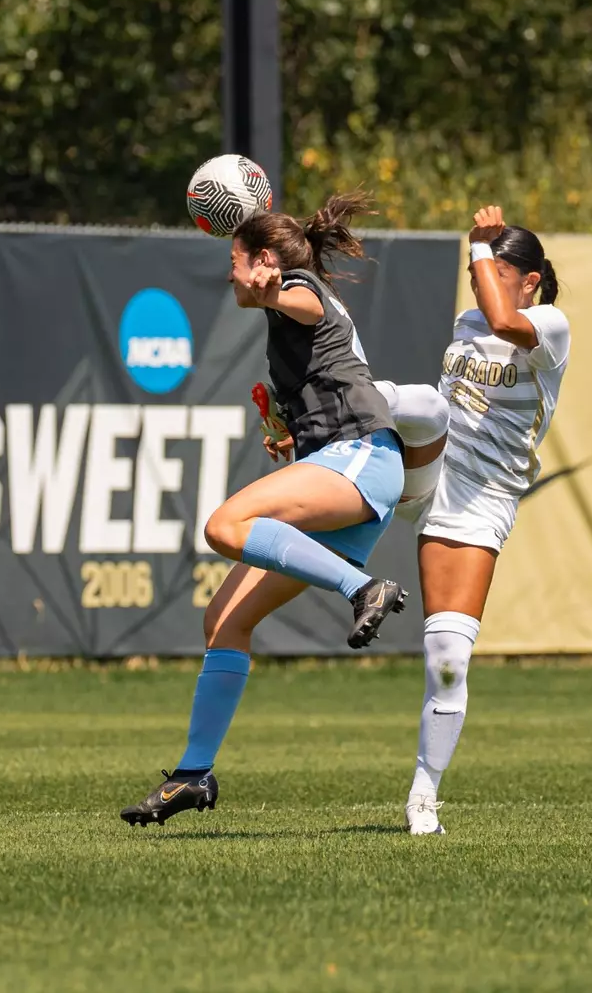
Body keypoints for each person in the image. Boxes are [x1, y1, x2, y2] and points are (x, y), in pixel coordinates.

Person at [120, 193, 411, 827]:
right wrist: (290, 435)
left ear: (264, 260)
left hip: (365, 459)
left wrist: (275, 287)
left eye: (236, 260)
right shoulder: (283, 315)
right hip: (342, 468)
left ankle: (365, 587)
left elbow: (307, 302)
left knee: (224, 526)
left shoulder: (299, 289)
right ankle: (194, 775)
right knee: (223, 620)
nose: (230, 273)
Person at [395, 204, 570, 836]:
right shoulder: (468, 320)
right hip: (428, 474)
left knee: (447, 660)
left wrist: (476, 246)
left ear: (528, 280)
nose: (482, 281)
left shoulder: (549, 325)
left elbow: (502, 316)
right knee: (418, 403)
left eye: (497, 269)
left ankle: (422, 798)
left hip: (480, 500)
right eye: (480, 269)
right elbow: (482, 316)